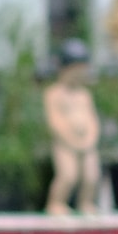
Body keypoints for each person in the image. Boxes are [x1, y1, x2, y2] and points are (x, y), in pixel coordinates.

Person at [43, 40, 101, 217]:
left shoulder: (84, 95)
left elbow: (93, 119)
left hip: (86, 144)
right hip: (65, 144)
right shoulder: (54, 93)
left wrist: (90, 139)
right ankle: (56, 204)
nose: (78, 74)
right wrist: (71, 140)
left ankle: (86, 203)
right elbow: (54, 121)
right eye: (75, 69)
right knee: (68, 175)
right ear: (63, 69)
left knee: (92, 175)